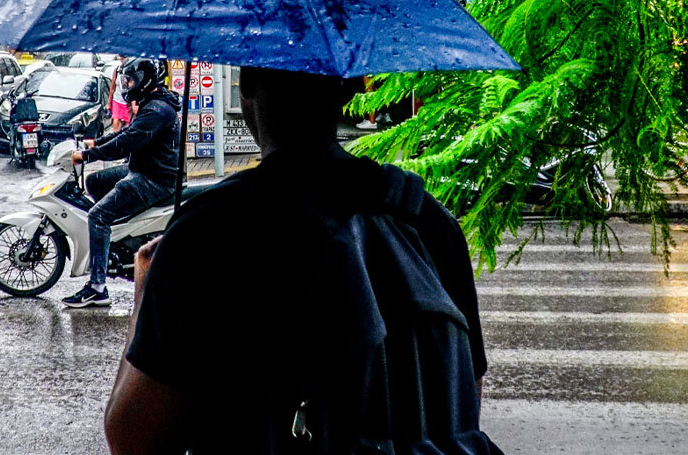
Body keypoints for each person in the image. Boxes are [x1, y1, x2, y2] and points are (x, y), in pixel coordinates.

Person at [104, 67, 488, 453]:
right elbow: (464, 403)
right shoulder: (428, 222)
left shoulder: (212, 231)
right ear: (350, 88)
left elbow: (134, 441)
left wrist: (143, 297)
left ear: (246, 86)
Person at [62, 58, 181, 309]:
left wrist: (88, 155)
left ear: (145, 81)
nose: (126, 85)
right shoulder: (152, 103)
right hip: (144, 169)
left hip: (154, 178)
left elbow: (127, 144)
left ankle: (97, 288)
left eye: (130, 80)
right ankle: (113, 237)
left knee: (98, 215)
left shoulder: (157, 110)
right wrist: (95, 143)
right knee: (95, 181)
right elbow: (126, 134)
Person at [107, 57, 132, 132]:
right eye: (120, 56)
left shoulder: (131, 70)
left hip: (128, 102)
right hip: (117, 100)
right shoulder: (117, 70)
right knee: (116, 123)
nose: (121, 58)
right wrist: (109, 103)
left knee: (129, 126)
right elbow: (112, 88)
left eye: (124, 56)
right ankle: (116, 141)